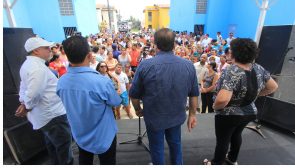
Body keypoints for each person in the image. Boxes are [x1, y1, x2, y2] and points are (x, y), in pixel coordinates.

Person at [129, 28, 199, 165]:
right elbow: (194, 93)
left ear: (155, 45)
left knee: (157, 149)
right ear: (174, 45)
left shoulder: (145, 65)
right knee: (176, 145)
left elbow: (134, 94)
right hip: (176, 116)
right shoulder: (188, 65)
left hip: (154, 118)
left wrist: (137, 109)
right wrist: (192, 114)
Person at [203, 38, 278, 165]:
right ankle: (232, 159)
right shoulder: (259, 68)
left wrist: (215, 106)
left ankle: (217, 163)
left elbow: (222, 99)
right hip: (249, 112)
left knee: (223, 140)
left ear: (235, 53)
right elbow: (273, 87)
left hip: (229, 115)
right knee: (236, 134)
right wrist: (252, 95)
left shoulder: (231, 71)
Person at [57, 36, 122, 165]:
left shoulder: (61, 81)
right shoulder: (101, 81)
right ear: (89, 55)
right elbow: (115, 102)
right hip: (104, 135)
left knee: (84, 160)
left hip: (80, 134)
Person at [15, 37, 73, 165]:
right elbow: (33, 92)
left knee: (54, 148)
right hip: (53, 116)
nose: (50, 50)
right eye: (46, 48)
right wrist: (27, 106)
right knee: (63, 149)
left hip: (46, 116)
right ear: (36, 51)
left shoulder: (28, 65)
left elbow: (23, 87)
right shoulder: (37, 68)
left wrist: (23, 103)